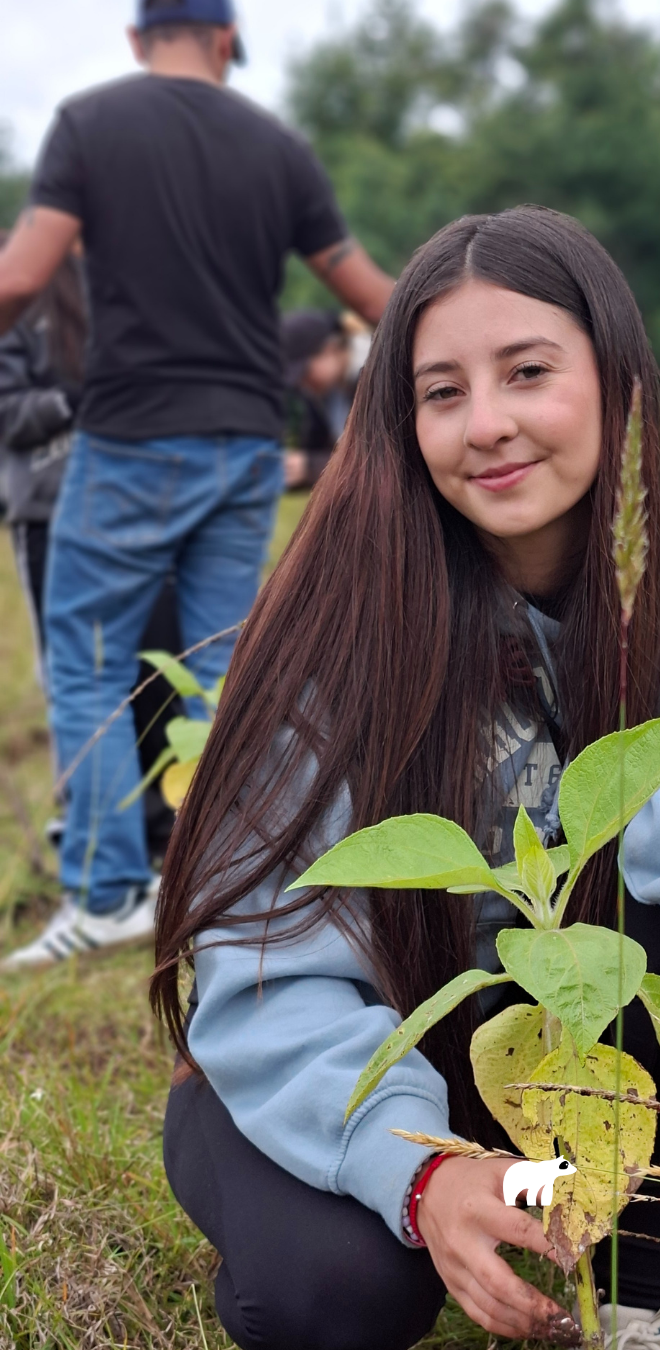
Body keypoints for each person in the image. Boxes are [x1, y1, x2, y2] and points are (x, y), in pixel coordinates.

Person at [153, 208, 660, 1350]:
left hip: (558, 1079)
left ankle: (620, 1284)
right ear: (402, 423)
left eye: (528, 372)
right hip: (340, 1064)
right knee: (333, 1293)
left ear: (617, 382)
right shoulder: (331, 633)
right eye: (442, 392)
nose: (486, 424)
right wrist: (428, 1173)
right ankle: (415, 1213)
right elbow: (267, 959)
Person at [0, 0, 394, 969]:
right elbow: (374, 294)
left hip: (132, 435)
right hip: (247, 440)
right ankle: (228, 882)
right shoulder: (279, 148)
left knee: (89, 662)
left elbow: (19, 279)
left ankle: (107, 895)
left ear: (140, 39)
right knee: (219, 669)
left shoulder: (90, 125)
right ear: (225, 42)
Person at [0, 237, 182, 867]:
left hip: (137, 507)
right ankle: (98, 829)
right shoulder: (18, 286)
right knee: (79, 676)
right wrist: (74, 401)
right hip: (51, 512)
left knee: (160, 660)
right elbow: (7, 410)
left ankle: (167, 827)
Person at [280, 308, 355, 491]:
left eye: (304, 372)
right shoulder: (322, 395)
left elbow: (380, 459)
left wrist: (310, 467)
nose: (302, 384)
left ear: (330, 349)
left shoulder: (377, 379)